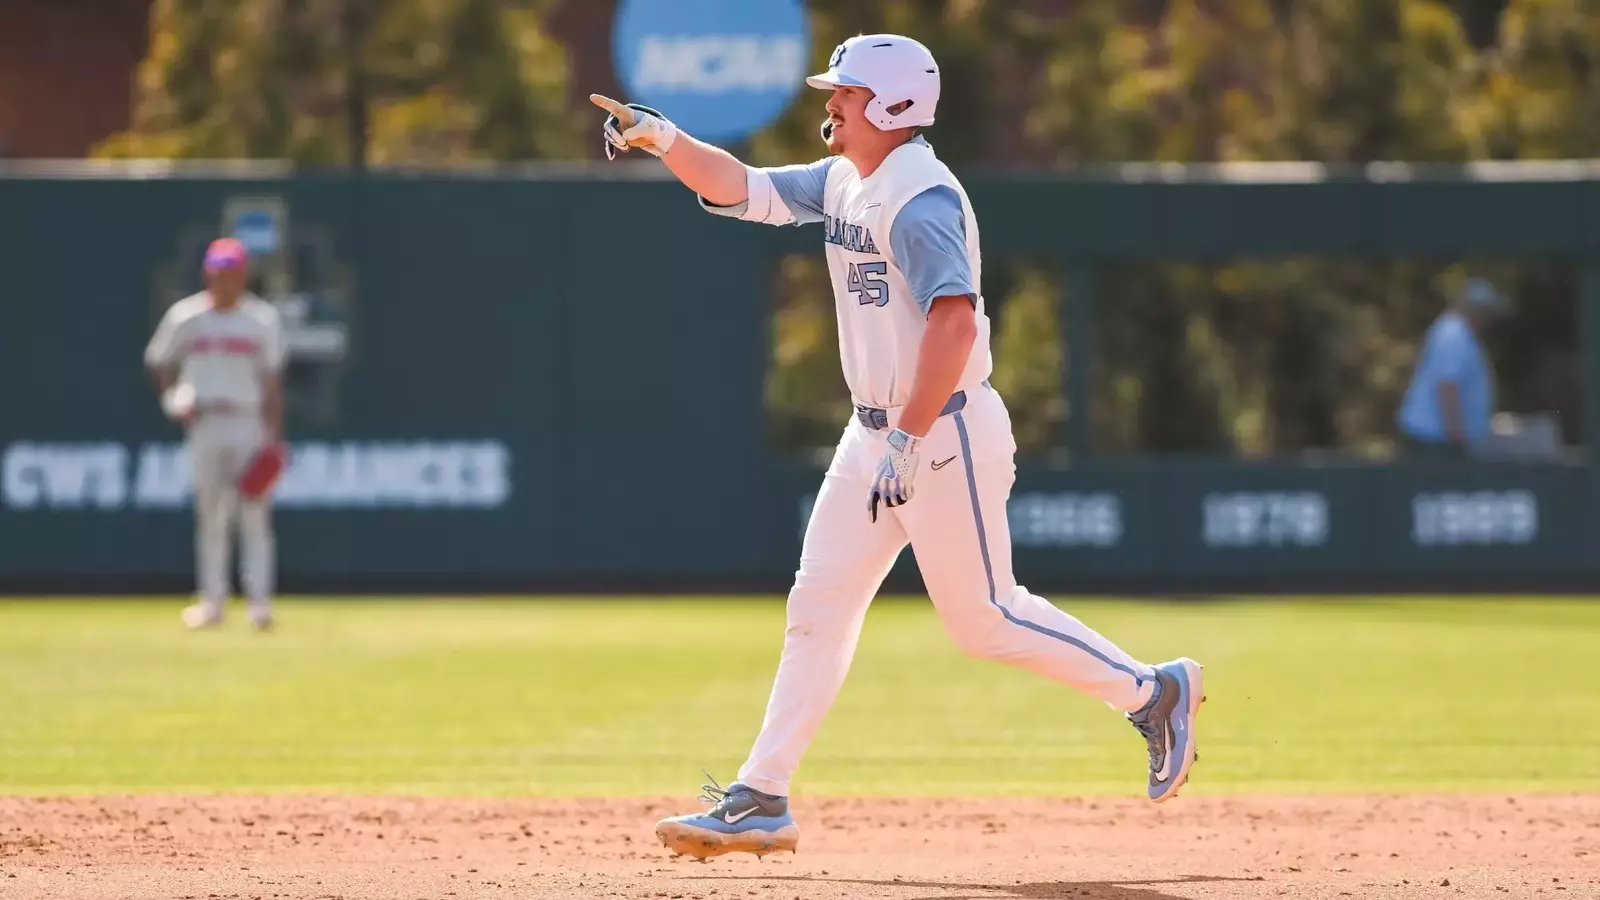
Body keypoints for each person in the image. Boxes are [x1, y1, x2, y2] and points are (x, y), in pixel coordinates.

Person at [592, 33, 1205, 861]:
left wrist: (911, 438)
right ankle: (762, 795)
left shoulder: (919, 197)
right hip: (877, 430)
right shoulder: (851, 177)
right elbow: (747, 189)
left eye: (844, 93)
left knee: (984, 620)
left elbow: (955, 321)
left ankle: (1152, 692)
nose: (831, 103)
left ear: (891, 106)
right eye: (835, 91)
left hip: (941, 428)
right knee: (818, 607)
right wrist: (664, 139)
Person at [144, 238, 286, 631]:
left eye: (233, 273)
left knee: (255, 516)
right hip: (205, 420)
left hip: (247, 420)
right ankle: (213, 603)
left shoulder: (261, 319)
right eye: (220, 272)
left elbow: (272, 382)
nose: (226, 280)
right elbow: (159, 361)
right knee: (211, 516)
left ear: (244, 275)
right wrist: (172, 397)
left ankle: (259, 604)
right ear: (209, 273)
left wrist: (274, 437)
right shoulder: (186, 316)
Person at [1397, 278, 1510, 458]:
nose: (1490, 319)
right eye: (1488, 312)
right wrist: (1459, 438)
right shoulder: (1454, 336)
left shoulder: (1457, 332)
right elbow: (1448, 387)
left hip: (1439, 441)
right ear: (1478, 310)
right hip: (1434, 443)